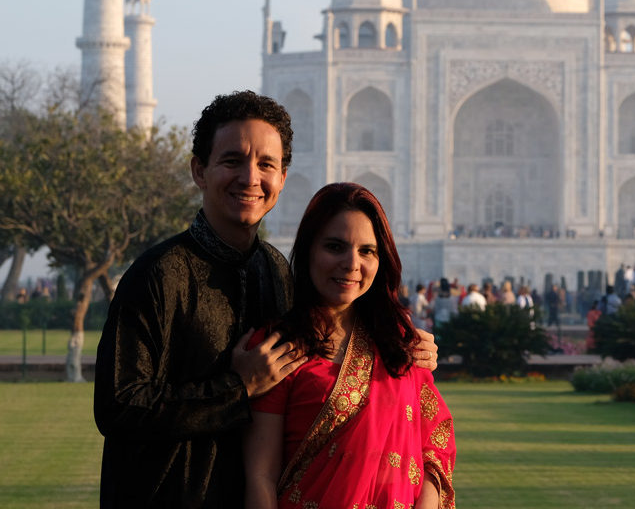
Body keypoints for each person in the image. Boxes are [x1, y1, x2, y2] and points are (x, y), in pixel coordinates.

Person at [94, 90, 441, 508]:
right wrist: (236, 389)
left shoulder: (275, 270)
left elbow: (331, 333)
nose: (250, 178)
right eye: (232, 161)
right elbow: (119, 406)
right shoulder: (160, 274)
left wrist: (407, 345)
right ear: (199, 171)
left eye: (266, 165)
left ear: (283, 178)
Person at [243, 183, 455, 509]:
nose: (351, 263)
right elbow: (261, 475)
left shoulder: (399, 342)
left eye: (366, 251)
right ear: (309, 249)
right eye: (335, 246)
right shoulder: (279, 347)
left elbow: (433, 443)